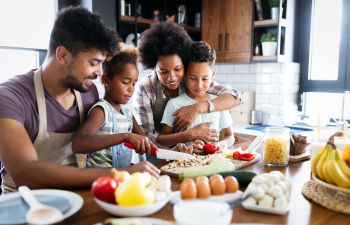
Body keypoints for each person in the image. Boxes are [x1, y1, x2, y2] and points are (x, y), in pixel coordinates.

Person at [0, 6, 152, 194]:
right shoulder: (10, 97)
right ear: (62, 55)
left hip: (75, 195)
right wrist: (121, 173)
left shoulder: (88, 93)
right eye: (93, 63)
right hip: (25, 204)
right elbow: (27, 174)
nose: (99, 72)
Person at [133, 22, 240, 153]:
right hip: (153, 156)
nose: (171, 77)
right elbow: (147, 138)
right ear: (153, 66)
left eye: (177, 69)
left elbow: (235, 96)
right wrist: (191, 134)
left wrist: (197, 108)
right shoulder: (145, 88)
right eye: (163, 71)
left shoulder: (192, 79)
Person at [72, 43, 160, 177]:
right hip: (101, 180)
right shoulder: (101, 111)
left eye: (134, 83)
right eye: (126, 82)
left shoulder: (127, 113)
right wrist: (125, 136)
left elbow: (146, 141)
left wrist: (174, 151)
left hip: (122, 179)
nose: (131, 88)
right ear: (106, 80)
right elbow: (79, 143)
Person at [158, 41, 235, 153]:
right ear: (184, 75)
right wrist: (184, 146)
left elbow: (230, 136)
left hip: (213, 162)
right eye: (193, 78)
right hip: (185, 164)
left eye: (204, 79)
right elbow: (163, 142)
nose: (199, 85)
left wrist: (221, 144)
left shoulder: (218, 102)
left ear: (213, 73)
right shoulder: (174, 104)